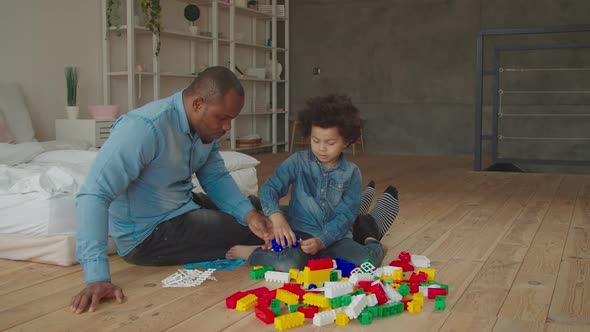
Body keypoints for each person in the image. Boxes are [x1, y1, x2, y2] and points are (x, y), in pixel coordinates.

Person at [70, 66, 273, 314]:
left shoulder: (205, 130)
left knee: (260, 212)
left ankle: (308, 227)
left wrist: (248, 214)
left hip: (182, 206)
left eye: (231, 119)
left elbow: (215, 176)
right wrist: (96, 277)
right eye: (222, 118)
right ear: (198, 104)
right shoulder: (143, 128)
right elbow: (94, 194)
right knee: (245, 229)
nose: (227, 127)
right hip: (148, 235)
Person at [226, 94, 399, 271]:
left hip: (335, 239)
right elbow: (270, 188)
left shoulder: (352, 173)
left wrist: (322, 241)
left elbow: (345, 216)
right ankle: (255, 253)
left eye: (330, 143)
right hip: (299, 234)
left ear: (346, 141)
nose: (321, 148)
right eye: (315, 141)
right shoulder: (298, 162)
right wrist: (276, 217)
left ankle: (372, 241)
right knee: (290, 263)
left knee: (366, 262)